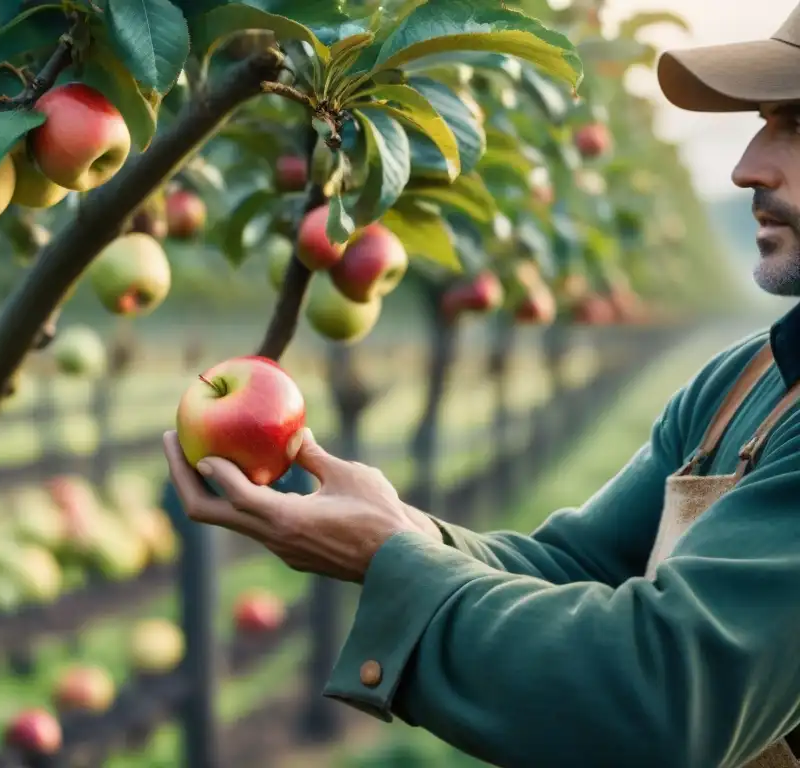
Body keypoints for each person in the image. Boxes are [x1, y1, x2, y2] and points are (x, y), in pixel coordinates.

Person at [164, 6, 800, 767]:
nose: (748, 166)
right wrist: (401, 529)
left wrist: (387, 559)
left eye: (794, 125)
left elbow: (660, 697)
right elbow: (578, 567)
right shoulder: (746, 380)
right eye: (763, 122)